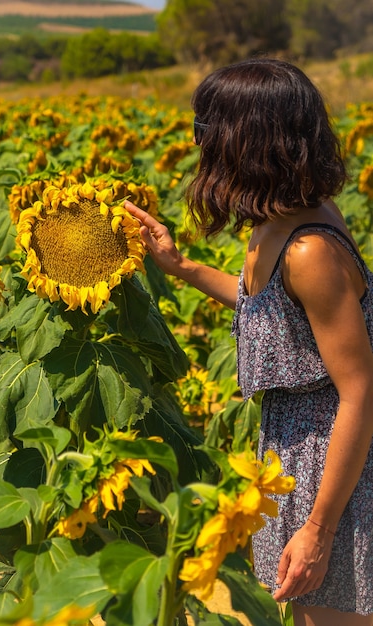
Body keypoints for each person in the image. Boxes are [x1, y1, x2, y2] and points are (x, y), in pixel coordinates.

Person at [124, 58, 373, 625]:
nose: (200, 145)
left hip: (335, 463)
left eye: (208, 131)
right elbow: (276, 319)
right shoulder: (275, 223)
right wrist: (180, 265)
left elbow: (360, 391)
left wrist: (318, 528)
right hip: (293, 453)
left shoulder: (310, 249)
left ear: (249, 141)